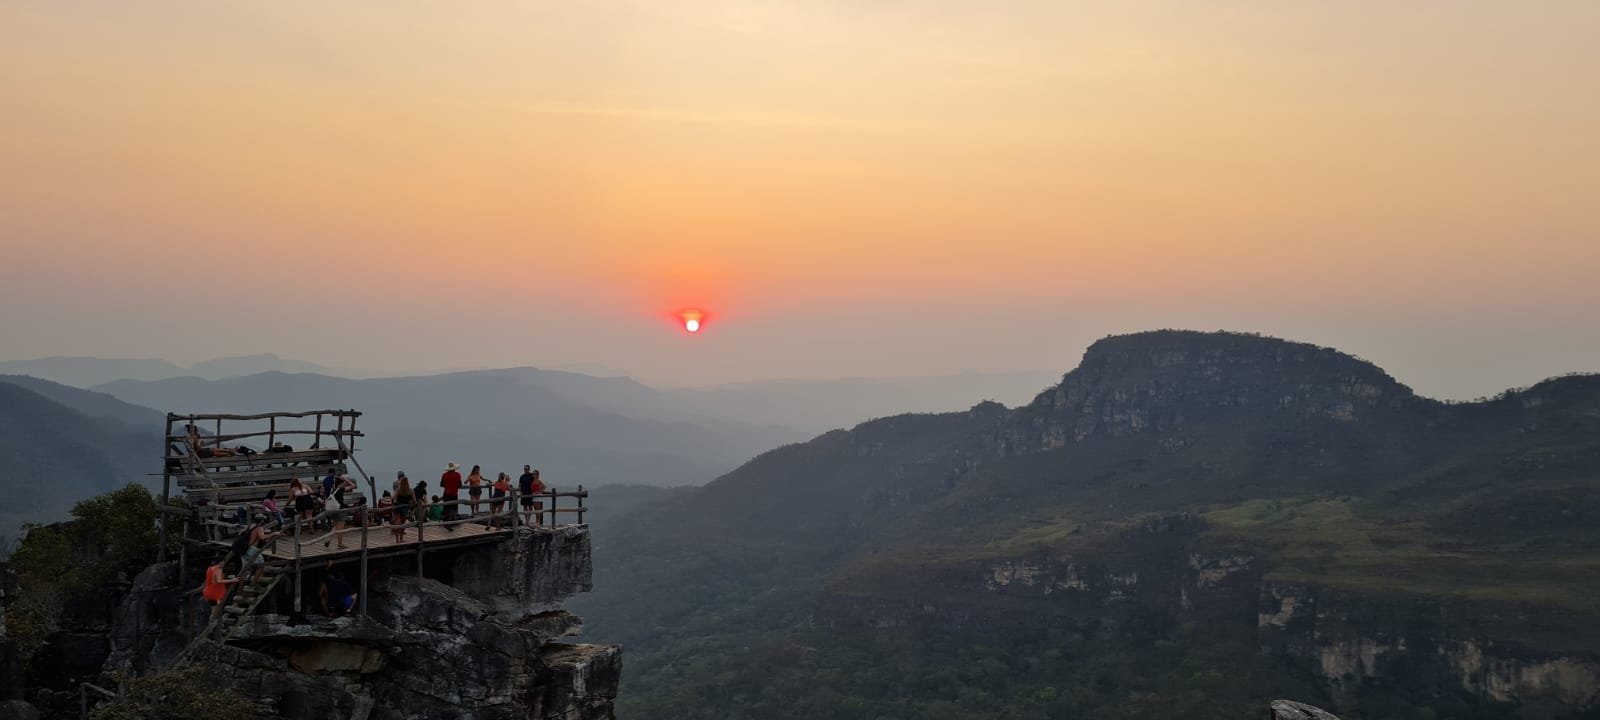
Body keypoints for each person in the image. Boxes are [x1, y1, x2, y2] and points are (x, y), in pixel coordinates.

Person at [325, 476, 357, 549]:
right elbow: (353, 486)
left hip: (333, 510)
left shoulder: (333, 489)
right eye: (344, 483)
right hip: (340, 510)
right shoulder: (341, 489)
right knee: (340, 528)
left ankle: (328, 539)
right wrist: (346, 479)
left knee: (336, 526)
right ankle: (340, 544)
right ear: (341, 483)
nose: (345, 484)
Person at [392, 474, 414, 543]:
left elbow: (394, 498)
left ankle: (397, 539)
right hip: (405, 508)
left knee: (396, 523)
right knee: (403, 523)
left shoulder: (398, 490)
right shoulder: (410, 490)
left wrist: (395, 502)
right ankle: (401, 538)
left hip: (398, 507)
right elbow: (414, 500)